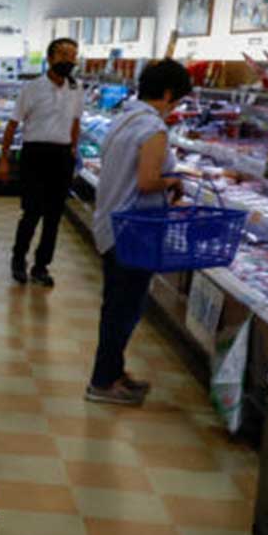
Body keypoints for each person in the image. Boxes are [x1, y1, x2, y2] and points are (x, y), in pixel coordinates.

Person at [87, 59, 191, 406]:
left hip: (112, 222)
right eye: (176, 101)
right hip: (133, 229)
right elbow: (148, 182)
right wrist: (174, 181)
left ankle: (113, 372)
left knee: (118, 305)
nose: (175, 108)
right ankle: (103, 382)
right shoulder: (152, 129)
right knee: (123, 309)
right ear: (166, 94)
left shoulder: (123, 119)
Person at [0, 37, 82, 287]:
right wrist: (4, 158)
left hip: (62, 155)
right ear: (50, 58)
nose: (68, 60)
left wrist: (73, 149)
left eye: (72, 55)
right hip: (35, 155)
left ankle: (41, 266)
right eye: (63, 54)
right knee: (32, 212)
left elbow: (76, 122)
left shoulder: (76, 89)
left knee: (55, 216)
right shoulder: (32, 88)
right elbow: (13, 124)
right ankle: (18, 260)